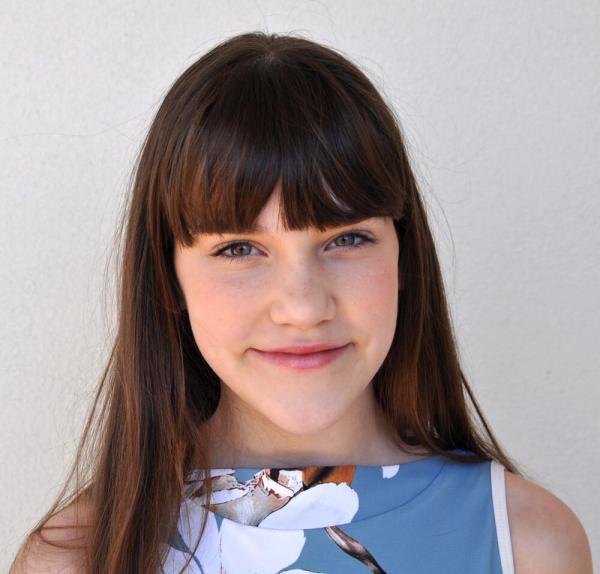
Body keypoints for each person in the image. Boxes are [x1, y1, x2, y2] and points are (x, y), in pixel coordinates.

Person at [10, 31, 592, 574]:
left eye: (347, 239)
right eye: (239, 248)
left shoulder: (528, 544)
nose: (303, 307)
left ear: (405, 258)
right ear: (167, 278)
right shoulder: (73, 558)